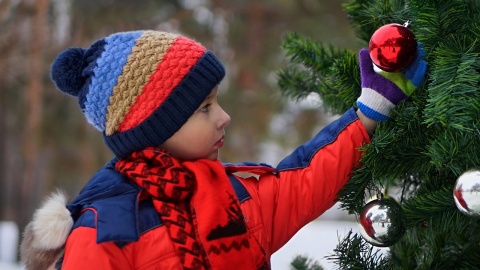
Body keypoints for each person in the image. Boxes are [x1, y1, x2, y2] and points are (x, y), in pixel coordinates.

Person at [20, 30, 427, 270]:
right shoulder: (104, 231)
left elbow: (304, 180)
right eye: (204, 108)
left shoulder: (232, 195)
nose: (224, 118)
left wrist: (371, 108)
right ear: (153, 127)